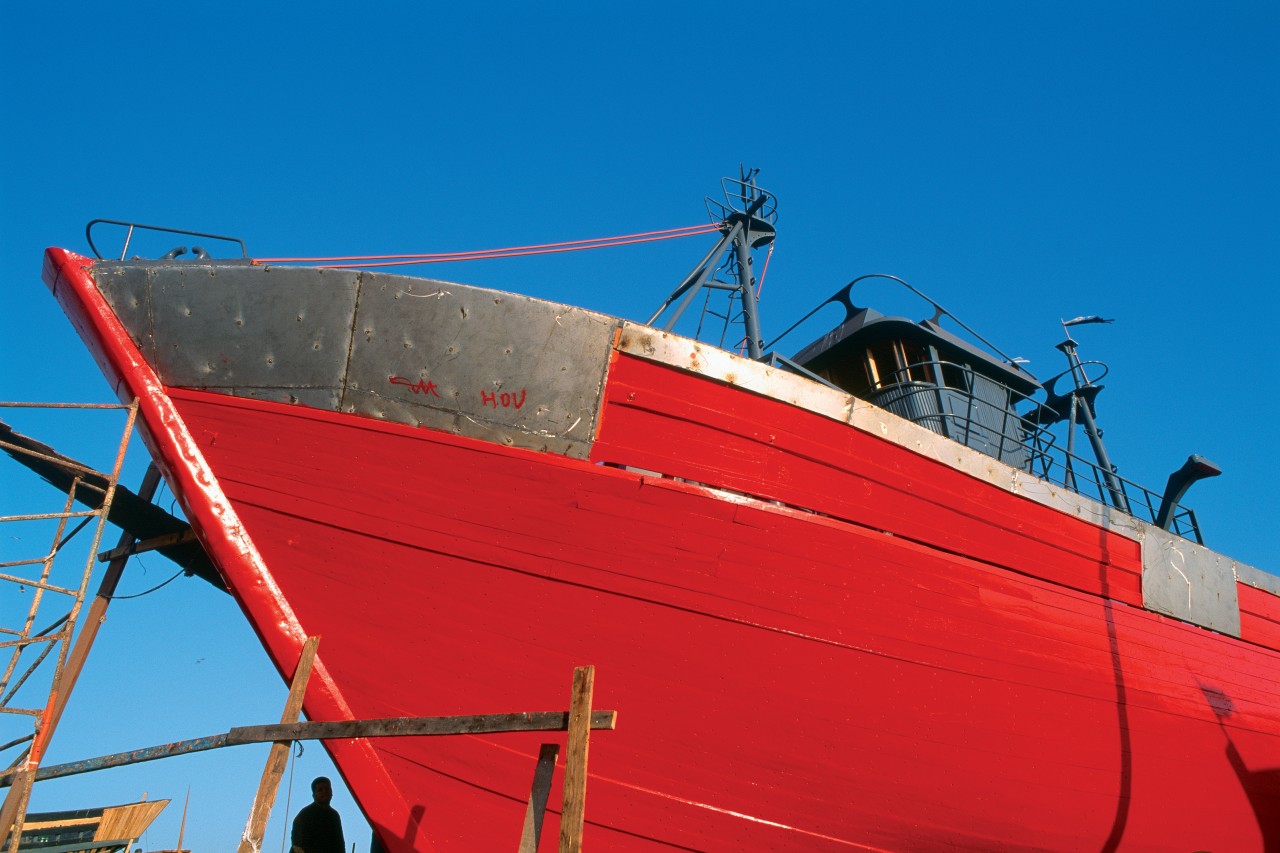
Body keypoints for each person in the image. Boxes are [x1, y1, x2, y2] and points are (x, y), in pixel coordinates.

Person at [291, 776, 345, 853]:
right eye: (320, 790)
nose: (324, 792)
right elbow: (297, 845)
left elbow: (340, 844)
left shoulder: (334, 815)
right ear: (314, 795)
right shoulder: (305, 814)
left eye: (327, 789)